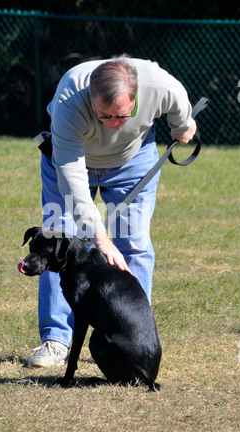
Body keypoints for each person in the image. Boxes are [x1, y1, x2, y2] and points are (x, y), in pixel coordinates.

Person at [28, 54, 196, 367]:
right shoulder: (68, 101)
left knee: (133, 243)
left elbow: (180, 103)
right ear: (90, 100)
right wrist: (101, 239)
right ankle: (55, 340)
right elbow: (73, 183)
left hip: (133, 160)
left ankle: (132, 337)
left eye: (122, 115)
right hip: (70, 163)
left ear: (136, 97)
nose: (113, 124)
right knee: (57, 243)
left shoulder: (157, 84)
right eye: (104, 116)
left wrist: (183, 126)